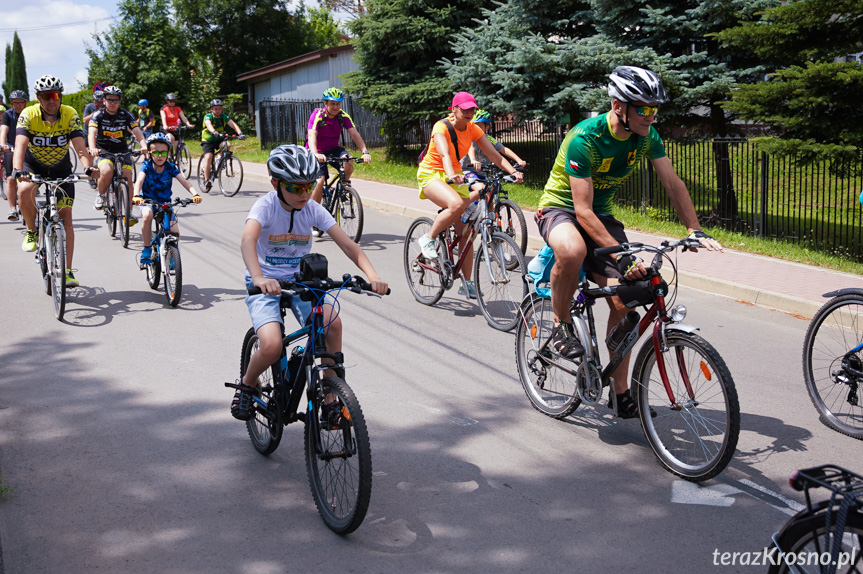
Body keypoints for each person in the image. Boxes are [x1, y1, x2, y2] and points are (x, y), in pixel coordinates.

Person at [534, 65, 723, 418]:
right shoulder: (585, 137)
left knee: (626, 301)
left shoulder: (647, 136)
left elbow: (672, 183)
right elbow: (582, 211)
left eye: (655, 109)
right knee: (573, 250)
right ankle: (560, 325)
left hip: (600, 217)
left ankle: (620, 393)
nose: (651, 116)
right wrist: (622, 257)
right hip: (561, 209)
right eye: (643, 108)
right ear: (619, 105)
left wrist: (695, 229)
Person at [230, 144, 388, 421]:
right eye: (295, 188)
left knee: (332, 324)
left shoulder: (313, 209)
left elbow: (349, 246)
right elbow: (248, 240)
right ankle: (246, 384)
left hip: (302, 281)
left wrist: (372, 276)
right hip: (265, 281)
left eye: (309, 186)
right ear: (276, 183)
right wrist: (258, 277)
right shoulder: (265, 206)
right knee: (270, 345)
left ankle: (329, 398)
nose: (304, 194)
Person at [415, 91, 523, 298]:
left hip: (456, 175)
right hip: (432, 174)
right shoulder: (441, 127)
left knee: (466, 233)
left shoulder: (473, 128)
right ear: (453, 109)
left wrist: (513, 171)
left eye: (471, 109)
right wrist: (450, 174)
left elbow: (493, 154)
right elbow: (445, 154)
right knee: (456, 204)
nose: (468, 113)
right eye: (464, 109)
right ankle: (428, 238)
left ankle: (467, 282)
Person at [12, 75, 99, 287]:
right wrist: (17, 170)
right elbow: (20, 144)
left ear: (60, 96)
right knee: (24, 190)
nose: (52, 100)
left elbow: (79, 145)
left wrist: (88, 166)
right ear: (38, 98)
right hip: (34, 165)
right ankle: (32, 230)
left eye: (56, 95)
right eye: (46, 96)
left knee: (65, 216)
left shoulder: (69, 113)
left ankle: (67, 271)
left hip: (61, 167)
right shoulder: (28, 113)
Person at [132, 133, 201, 263]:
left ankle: (171, 257)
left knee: (175, 233)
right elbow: (139, 181)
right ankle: (147, 248)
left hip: (165, 203)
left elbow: (185, 182)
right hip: (147, 200)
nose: (159, 156)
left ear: (168, 153)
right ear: (150, 153)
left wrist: (195, 194)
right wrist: (136, 196)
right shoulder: (147, 165)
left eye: (163, 153)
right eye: (156, 153)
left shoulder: (170, 167)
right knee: (147, 215)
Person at [306, 88, 371, 211]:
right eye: (332, 104)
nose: (336, 107)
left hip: (333, 149)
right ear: (325, 103)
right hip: (317, 151)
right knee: (319, 182)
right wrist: (315, 153)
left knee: (348, 160)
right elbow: (311, 135)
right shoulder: (318, 115)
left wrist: (365, 151)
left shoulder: (342, 116)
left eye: (338, 103)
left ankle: (341, 190)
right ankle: (313, 216)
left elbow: (354, 134)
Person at [89, 85, 148, 218]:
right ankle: (101, 195)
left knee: (127, 176)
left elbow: (137, 131)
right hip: (104, 150)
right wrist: (93, 147)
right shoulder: (98, 115)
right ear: (104, 100)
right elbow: (91, 132)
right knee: (107, 170)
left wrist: (143, 145)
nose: (112, 103)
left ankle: (129, 212)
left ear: (119, 101)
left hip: (122, 150)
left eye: (116, 100)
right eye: (109, 100)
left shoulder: (126, 115)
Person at [461, 109, 527, 175]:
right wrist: (473, 160)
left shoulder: (488, 138)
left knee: (492, 184)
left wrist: (519, 160)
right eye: (474, 126)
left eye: (480, 126)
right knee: (480, 185)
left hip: (482, 172)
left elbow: (503, 149)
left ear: (487, 127)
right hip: (466, 170)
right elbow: (470, 146)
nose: (476, 129)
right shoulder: (469, 136)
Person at [200, 98, 246, 192]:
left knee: (227, 145)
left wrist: (240, 133)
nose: (218, 111)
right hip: (208, 140)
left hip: (219, 139)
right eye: (215, 109)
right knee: (208, 157)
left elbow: (233, 124)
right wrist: (213, 131)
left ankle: (219, 160)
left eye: (219, 109)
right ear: (211, 109)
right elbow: (208, 125)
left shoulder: (223, 116)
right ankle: (206, 180)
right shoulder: (208, 116)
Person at [0, 90, 28, 221]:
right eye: (15, 103)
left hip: (28, 149)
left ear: (25, 103)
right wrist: (2, 143)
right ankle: (12, 209)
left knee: (29, 178)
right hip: (11, 148)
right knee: (11, 178)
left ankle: (28, 205)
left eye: (20, 103)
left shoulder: (30, 113)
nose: (17, 105)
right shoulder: (7, 114)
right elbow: (3, 129)